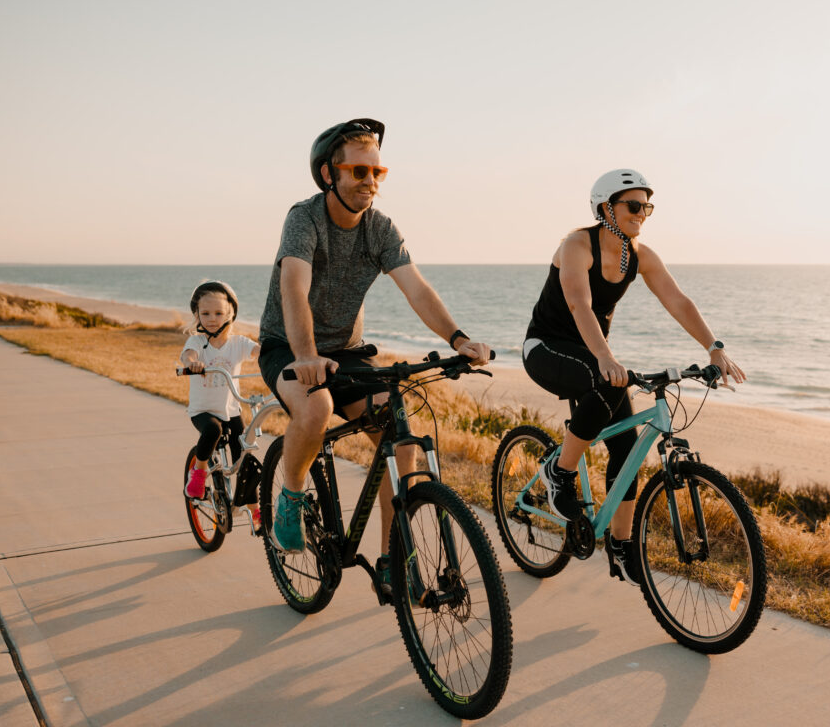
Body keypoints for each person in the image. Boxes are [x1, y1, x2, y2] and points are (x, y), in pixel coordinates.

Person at [257, 117, 491, 597]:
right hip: (288, 347)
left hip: (347, 353)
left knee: (400, 435)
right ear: (329, 174)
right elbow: (293, 289)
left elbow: (417, 288)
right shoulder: (304, 219)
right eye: (359, 172)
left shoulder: (381, 229)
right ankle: (291, 494)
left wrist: (458, 339)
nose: (370, 183)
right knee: (317, 408)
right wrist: (304, 357)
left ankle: (392, 558)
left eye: (377, 173)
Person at [522, 168, 746, 585]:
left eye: (647, 206)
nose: (642, 213)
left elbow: (677, 300)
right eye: (633, 205)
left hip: (593, 357)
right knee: (606, 379)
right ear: (606, 207)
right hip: (546, 349)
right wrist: (608, 358)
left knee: (626, 451)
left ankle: (621, 547)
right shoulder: (576, 245)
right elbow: (579, 305)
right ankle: (560, 472)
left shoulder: (639, 254)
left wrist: (713, 347)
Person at [181, 281, 262, 530]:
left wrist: (274, 352)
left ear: (230, 314)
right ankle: (198, 474)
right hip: (203, 412)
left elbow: (259, 351)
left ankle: (255, 512)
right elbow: (187, 355)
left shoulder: (238, 343)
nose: (212, 319)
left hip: (231, 411)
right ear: (197, 315)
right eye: (205, 314)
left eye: (218, 313)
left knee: (245, 460)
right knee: (213, 430)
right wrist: (192, 363)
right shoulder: (196, 342)